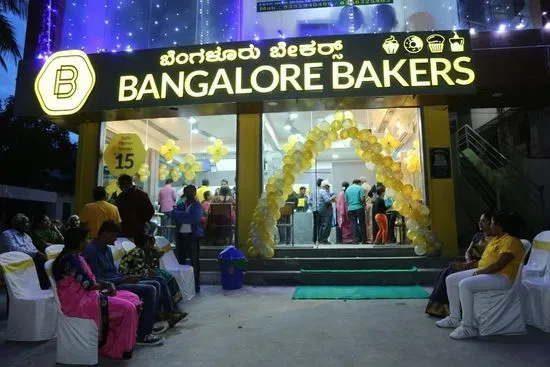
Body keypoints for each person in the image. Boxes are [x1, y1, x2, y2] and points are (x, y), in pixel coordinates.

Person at [436, 211, 526, 340]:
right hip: (489, 273)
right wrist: (466, 266)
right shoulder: (496, 239)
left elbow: (499, 265)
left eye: (493, 224)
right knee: (451, 279)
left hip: (502, 277)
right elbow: (485, 262)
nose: (491, 227)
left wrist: (478, 273)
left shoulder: (511, 241)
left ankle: (468, 327)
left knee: (465, 285)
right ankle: (454, 318)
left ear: (501, 226)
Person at [53, 227, 141, 359]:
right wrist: (105, 287)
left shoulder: (75, 256)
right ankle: (117, 349)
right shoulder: (71, 260)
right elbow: (88, 285)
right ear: (79, 242)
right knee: (128, 308)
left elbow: (92, 279)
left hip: (87, 295)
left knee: (132, 297)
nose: (89, 241)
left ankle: (117, 342)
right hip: (78, 302)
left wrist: (106, 284)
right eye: (87, 239)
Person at [82, 220, 165, 346]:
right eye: (114, 235)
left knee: (157, 282)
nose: (116, 240)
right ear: (105, 234)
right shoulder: (92, 251)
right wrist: (124, 279)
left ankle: (146, 326)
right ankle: (143, 335)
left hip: (118, 280)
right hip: (108, 286)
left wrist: (127, 277)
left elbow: (114, 273)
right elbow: (98, 279)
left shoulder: (107, 250)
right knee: (150, 289)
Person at [425, 212, 493, 317]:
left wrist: (469, 265)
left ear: (492, 223)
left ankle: (452, 310)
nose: (480, 223)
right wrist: (467, 260)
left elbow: (488, 260)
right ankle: (439, 308)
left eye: (483, 221)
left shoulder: (495, 240)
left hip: (480, 266)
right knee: (445, 272)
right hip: (469, 263)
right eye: (480, 220)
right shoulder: (478, 236)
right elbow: (468, 252)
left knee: (450, 273)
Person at [119, 234, 186, 326]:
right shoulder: (138, 252)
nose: (153, 247)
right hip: (128, 278)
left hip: (133, 275)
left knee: (160, 279)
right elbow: (139, 273)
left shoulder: (137, 250)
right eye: (151, 244)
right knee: (159, 281)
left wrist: (149, 270)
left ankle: (168, 312)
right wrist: (149, 272)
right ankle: (168, 313)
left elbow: (142, 267)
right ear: (146, 243)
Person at [0, 213, 50, 289]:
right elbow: (13, 249)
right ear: (18, 224)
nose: (29, 224)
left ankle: (44, 288)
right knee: (41, 262)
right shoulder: (7, 234)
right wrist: (36, 253)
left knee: (47, 261)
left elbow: (33, 249)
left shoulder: (27, 237)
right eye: (26, 222)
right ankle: (42, 288)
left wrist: (39, 254)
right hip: (13, 262)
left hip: (28, 262)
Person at [173, 185, 203, 293]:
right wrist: (186, 215)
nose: (189, 194)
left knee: (194, 262)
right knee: (180, 261)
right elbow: (174, 216)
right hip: (180, 236)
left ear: (194, 193)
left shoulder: (197, 206)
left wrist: (183, 216)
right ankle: (182, 286)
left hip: (193, 237)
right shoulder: (181, 204)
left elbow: (195, 219)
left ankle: (196, 286)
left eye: (191, 192)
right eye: (187, 192)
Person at [116, 174, 155, 239]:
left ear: (130, 183)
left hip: (138, 230)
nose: (122, 187)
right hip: (123, 230)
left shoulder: (141, 195)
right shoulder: (121, 196)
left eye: (124, 184)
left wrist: (142, 221)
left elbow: (150, 211)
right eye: (120, 185)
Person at [345, 179, 366, 244]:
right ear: (359, 183)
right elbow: (362, 198)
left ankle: (355, 240)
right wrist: (364, 204)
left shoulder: (347, 189)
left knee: (353, 224)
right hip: (359, 207)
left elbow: (346, 201)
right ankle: (364, 240)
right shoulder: (360, 188)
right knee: (362, 223)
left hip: (350, 208)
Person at [317, 180, 336, 245]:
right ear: (325, 186)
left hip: (325, 208)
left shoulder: (324, 191)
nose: (329, 187)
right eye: (328, 186)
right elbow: (327, 200)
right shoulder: (323, 191)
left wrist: (332, 196)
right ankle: (323, 239)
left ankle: (323, 239)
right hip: (325, 208)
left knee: (326, 224)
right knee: (327, 224)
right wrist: (332, 197)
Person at [312, 178, 323, 243]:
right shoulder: (322, 191)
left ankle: (314, 239)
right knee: (321, 224)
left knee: (315, 224)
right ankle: (319, 239)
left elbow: (309, 201)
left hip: (314, 209)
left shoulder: (313, 191)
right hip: (320, 209)